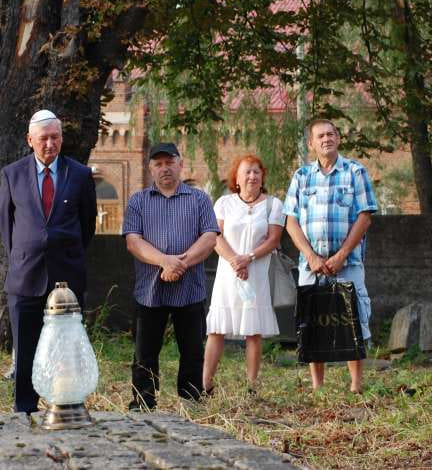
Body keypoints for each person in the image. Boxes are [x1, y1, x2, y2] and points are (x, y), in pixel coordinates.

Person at [0, 109, 97, 414]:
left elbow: (87, 224)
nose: (50, 144)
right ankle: (25, 408)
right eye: (43, 138)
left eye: (55, 137)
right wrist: (26, 253)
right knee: (25, 346)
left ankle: (64, 402)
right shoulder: (12, 174)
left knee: (65, 346)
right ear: (30, 140)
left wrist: (65, 251)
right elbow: (6, 225)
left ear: (61, 138)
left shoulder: (79, 174)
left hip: (66, 274)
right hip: (25, 275)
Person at [283, 118, 377, 393]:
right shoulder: (302, 176)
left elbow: (364, 217)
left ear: (338, 138)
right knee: (313, 322)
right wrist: (311, 257)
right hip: (310, 265)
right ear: (311, 144)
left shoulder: (355, 172)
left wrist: (341, 256)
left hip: (348, 264)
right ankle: (317, 386)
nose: (327, 139)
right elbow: (291, 220)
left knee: (353, 318)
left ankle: (356, 385)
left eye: (331, 134)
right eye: (320, 136)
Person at [123, 142, 219, 410]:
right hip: (150, 290)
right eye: (158, 164)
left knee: (192, 351)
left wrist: (180, 265)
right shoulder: (138, 201)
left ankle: (191, 402)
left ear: (180, 164)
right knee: (144, 353)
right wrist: (165, 262)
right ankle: (143, 403)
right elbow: (133, 241)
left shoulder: (199, 199)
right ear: (150, 168)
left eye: (169, 162)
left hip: (189, 289)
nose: (164, 168)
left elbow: (210, 237)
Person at [203, 154, 284, 394]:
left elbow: (273, 239)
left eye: (256, 172)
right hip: (228, 275)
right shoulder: (224, 204)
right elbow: (215, 236)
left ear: (262, 177)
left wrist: (248, 258)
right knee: (217, 329)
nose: (252, 176)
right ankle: (205, 383)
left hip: (257, 273)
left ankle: (252, 386)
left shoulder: (273, 205)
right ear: (236, 178)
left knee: (253, 331)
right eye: (246, 171)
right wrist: (234, 260)